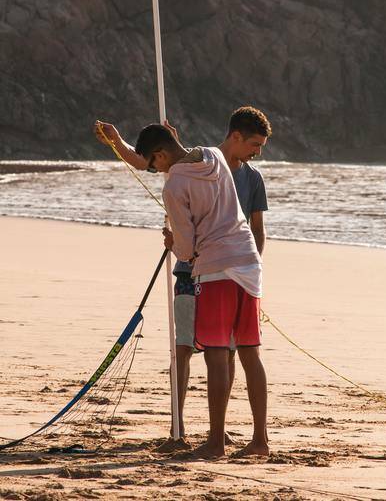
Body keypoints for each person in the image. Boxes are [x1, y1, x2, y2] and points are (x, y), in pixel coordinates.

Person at [94, 107, 271, 452]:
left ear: (160, 154)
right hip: (249, 262)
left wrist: (175, 243)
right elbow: (164, 157)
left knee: (216, 353)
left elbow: (188, 248)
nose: (155, 170)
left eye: (155, 164)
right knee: (250, 352)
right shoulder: (212, 155)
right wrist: (119, 142)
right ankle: (259, 440)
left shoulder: (174, 184)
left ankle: (216, 442)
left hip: (216, 267)